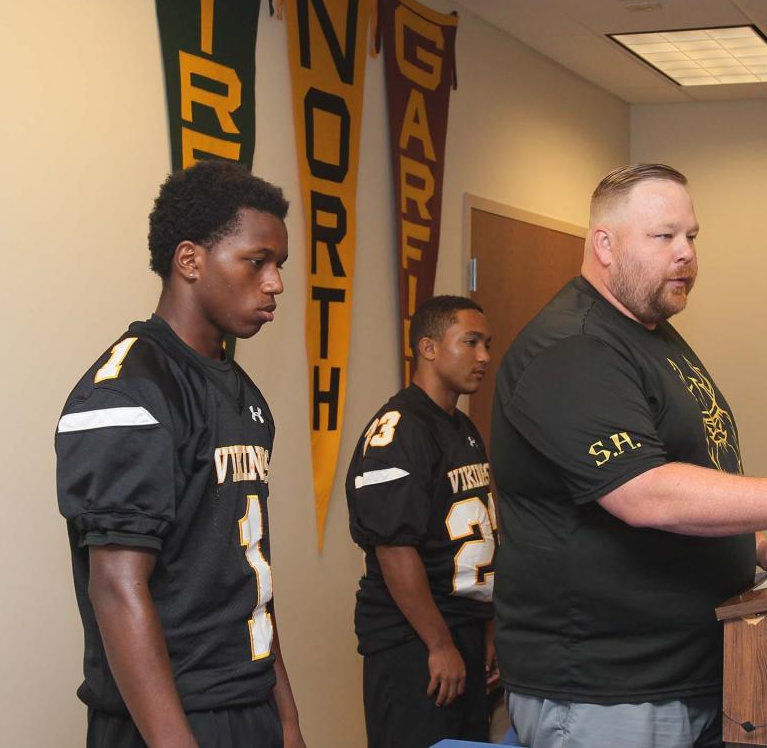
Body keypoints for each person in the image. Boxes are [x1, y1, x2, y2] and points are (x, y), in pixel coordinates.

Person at [491, 163, 767, 748]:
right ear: (604, 244)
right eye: (664, 236)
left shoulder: (649, 333)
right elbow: (644, 492)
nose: (685, 254)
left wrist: (757, 548)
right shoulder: (572, 348)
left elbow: (686, 469)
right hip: (608, 691)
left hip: (688, 672)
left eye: (692, 237)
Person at [56, 161, 306, 748]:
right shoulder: (128, 390)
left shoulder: (240, 392)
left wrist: (287, 721)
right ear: (190, 260)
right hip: (167, 720)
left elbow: (244, 582)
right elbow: (117, 587)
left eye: (280, 265)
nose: (275, 283)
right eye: (257, 261)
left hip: (248, 705)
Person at [346, 295, 498, 748]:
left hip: (462, 631)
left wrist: (486, 628)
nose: (484, 356)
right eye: (470, 342)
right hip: (415, 642)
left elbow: (484, 535)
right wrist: (438, 644)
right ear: (428, 348)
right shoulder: (400, 429)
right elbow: (394, 549)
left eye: (486, 343)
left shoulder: (462, 428)